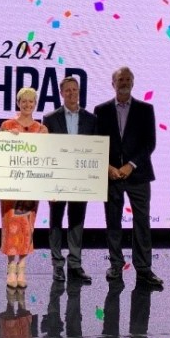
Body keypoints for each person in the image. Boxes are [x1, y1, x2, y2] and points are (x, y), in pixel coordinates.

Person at [94, 66, 163, 287]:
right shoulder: (101, 110)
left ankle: (144, 269)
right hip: (111, 175)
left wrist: (131, 165)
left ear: (133, 83)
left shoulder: (145, 109)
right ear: (112, 84)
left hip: (139, 175)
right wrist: (108, 167)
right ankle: (116, 265)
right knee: (113, 221)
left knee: (142, 222)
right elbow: (97, 143)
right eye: (120, 79)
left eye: (127, 79)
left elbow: (149, 143)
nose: (124, 82)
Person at [42, 76, 97, 284]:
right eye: (68, 90)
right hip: (57, 179)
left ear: (79, 92)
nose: (72, 93)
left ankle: (75, 264)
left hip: (80, 180)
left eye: (75, 90)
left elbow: (95, 151)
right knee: (55, 221)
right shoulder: (49, 118)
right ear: (61, 93)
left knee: (77, 221)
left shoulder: (91, 119)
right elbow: (45, 151)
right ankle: (57, 265)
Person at [0, 87, 49, 288]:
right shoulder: (7, 125)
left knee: (27, 225)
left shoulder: (41, 129)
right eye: (24, 101)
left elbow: (48, 157)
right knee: (11, 224)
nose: (27, 105)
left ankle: (22, 266)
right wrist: (6, 138)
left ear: (35, 104)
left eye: (31, 101)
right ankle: (11, 267)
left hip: (31, 186)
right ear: (18, 102)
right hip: (11, 186)